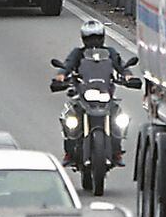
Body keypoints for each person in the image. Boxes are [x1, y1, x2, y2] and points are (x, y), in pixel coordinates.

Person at [55, 21, 131, 165]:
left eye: (96, 37)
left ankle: (116, 150)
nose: (93, 41)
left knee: (119, 117)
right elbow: (68, 64)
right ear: (84, 38)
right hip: (83, 94)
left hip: (105, 94)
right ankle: (69, 151)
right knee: (70, 117)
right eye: (90, 38)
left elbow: (120, 65)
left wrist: (127, 75)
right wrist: (61, 75)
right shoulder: (78, 53)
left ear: (102, 37)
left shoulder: (110, 53)